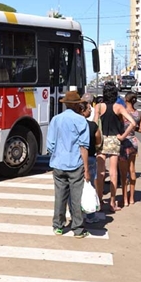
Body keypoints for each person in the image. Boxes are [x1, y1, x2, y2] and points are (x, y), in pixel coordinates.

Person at [47, 91, 91, 238]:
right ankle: (78, 229)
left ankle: (58, 226)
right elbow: (83, 146)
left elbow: (50, 144)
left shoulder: (56, 119)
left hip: (58, 163)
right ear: (77, 105)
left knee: (60, 195)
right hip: (75, 163)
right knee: (76, 197)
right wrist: (86, 169)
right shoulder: (81, 121)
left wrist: (56, 154)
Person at [94, 81, 137, 213]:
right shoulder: (119, 107)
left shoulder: (99, 107)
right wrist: (123, 136)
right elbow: (133, 122)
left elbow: (95, 124)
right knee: (113, 172)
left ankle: (99, 200)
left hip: (101, 139)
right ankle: (112, 202)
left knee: (100, 172)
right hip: (114, 139)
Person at [118, 92, 141, 206]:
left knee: (123, 173)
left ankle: (124, 198)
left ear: (125, 100)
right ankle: (132, 198)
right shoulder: (138, 114)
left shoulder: (122, 113)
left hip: (123, 142)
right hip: (133, 142)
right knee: (132, 169)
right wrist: (134, 128)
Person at [81, 93, 103, 224]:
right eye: (89, 108)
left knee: (76, 186)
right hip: (90, 157)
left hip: (75, 160)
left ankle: (77, 212)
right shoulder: (92, 126)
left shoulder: (74, 125)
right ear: (83, 111)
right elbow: (98, 141)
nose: (91, 109)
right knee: (90, 185)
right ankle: (90, 215)